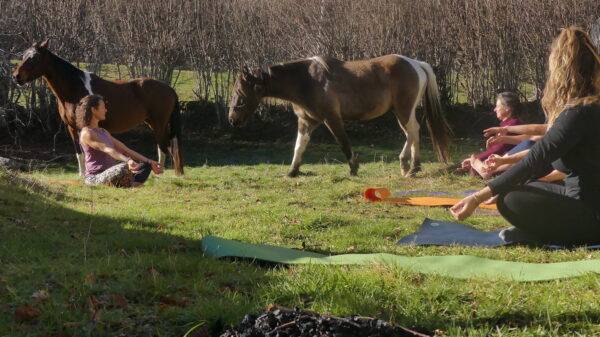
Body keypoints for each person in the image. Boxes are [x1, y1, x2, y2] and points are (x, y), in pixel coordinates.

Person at [450, 26, 600, 246]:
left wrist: (477, 197)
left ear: (562, 70)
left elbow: (535, 159)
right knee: (519, 188)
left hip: (591, 214)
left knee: (510, 200)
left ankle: (550, 235)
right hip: (583, 198)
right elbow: (540, 149)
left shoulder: (578, 113)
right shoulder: (590, 106)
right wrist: (502, 175)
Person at [76, 94, 163, 187]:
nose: (105, 110)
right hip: (95, 177)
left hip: (112, 173)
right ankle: (132, 183)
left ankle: (130, 183)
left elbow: (126, 150)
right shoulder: (87, 133)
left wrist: (149, 161)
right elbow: (108, 149)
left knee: (146, 165)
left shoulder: (104, 131)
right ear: (93, 110)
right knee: (123, 168)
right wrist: (128, 161)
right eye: (103, 107)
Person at [458, 92, 525, 178]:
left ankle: (484, 171)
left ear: (507, 108)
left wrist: (476, 159)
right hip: (507, 160)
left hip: (508, 164)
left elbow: (499, 149)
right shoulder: (508, 123)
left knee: (473, 163)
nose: (494, 109)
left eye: (497, 106)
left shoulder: (512, 124)